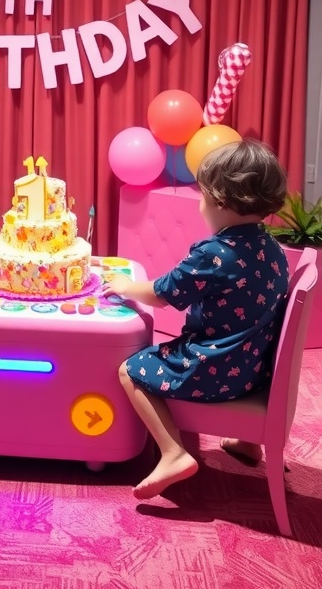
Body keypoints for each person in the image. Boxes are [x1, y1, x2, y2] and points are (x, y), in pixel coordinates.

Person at [103, 138, 289, 501]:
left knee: (131, 370)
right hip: (253, 369)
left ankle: (173, 453)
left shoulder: (215, 252)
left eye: (203, 194)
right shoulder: (273, 248)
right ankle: (250, 445)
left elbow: (164, 293)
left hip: (216, 369)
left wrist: (127, 286)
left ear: (219, 199)